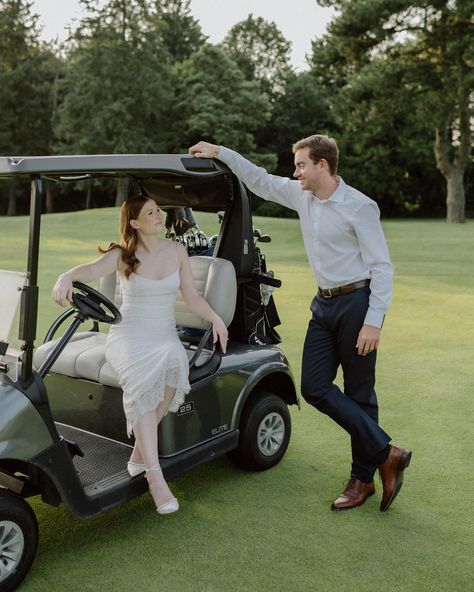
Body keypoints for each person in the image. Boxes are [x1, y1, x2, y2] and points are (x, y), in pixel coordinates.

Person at [188, 137, 411, 512]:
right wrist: (222, 153)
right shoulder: (301, 195)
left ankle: (362, 480)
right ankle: (387, 452)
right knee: (313, 387)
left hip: (358, 304)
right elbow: (258, 179)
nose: (295, 172)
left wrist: (373, 322)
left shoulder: (360, 206)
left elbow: (382, 267)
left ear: (322, 165)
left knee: (359, 393)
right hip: (323, 305)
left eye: (301, 165)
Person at [52, 194, 228, 515]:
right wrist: (66, 277)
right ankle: (155, 475)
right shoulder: (122, 254)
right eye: (151, 212)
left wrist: (215, 318)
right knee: (143, 387)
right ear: (134, 222)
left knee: (174, 361)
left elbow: (190, 296)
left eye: (158, 210)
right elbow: (90, 269)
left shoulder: (176, 251)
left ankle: (138, 453)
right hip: (128, 336)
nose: (159, 215)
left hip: (163, 336)